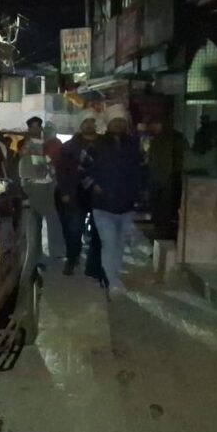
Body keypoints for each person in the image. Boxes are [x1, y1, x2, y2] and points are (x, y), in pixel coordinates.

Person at [90, 104, 143, 298]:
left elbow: (140, 170)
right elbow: (84, 170)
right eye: (115, 121)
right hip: (103, 206)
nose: (118, 124)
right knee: (109, 244)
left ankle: (114, 276)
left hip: (126, 206)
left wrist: (139, 192)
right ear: (109, 124)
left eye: (121, 121)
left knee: (119, 245)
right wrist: (94, 185)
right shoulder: (97, 145)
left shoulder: (133, 144)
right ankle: (111, 281)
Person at [56, 111, 103, 279]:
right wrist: (65, 191)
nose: (88, 125)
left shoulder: (104, 144)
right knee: (74, 229)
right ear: (81, 125)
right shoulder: (70, 146)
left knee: (99, 231)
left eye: (91, 121)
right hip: (75, 193)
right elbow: (61, 170)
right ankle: (72, 258)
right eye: (85, 122)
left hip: (98, 193)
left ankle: (94, 266)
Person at [18, 116, 66, 260]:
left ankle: (53, 251)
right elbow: (29, 162)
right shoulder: (26, 144)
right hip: (32, 185)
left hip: (48, 185)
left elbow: (50, 161)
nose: (35, 129)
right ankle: (39, 253)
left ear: (40, 128)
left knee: (50, 220)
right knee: (38, 221)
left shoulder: (49, 143)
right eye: (32, 127)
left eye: (37, 126)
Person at [146, 122, 185, 240]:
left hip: (167, 181)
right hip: (162, 180)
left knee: (165, 210)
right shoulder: (160, 139)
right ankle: (163, 232)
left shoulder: (173, 139)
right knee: (163, 210)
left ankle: (164, 232)